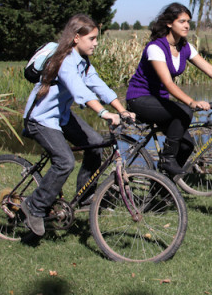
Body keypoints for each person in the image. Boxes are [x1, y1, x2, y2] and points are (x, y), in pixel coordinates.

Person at [20, 14, 135, 237]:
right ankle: (34, 207)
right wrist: (103, 113)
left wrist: (121, 110)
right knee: (64, 161)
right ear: (76, 38)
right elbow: (79, 91)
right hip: (41, 119)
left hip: (61, 118)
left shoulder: (83, 62)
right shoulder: (64, 60)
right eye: (91, 38)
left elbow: (98, 85)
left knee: (96, 144)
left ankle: (85, 196)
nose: (96, 42)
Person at [126, 3, 212, 176]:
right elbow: (169, 84)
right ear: (169, 23)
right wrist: (192, 102)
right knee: (185, 111)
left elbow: (211, 70)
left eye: (189, 22)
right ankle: (166, 159)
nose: (187, 25)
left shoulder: (185, 47)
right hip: (139, 99)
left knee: (187, 145)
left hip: (160, 102)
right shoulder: (156, 48)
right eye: (182, 21)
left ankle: (161, 191)